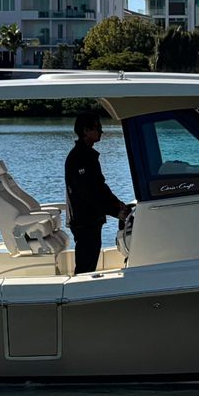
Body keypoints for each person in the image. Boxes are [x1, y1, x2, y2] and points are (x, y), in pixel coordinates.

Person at [64, 110, 128, 274]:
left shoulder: (87, 155)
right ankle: (79, 288)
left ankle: (83, 286)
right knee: (86, 265)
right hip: (84, 220)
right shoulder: (79, 158)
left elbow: (100, 187)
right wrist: (114, 211)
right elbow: (87, 193)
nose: (101, 131)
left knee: (90, 260)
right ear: (86, 131)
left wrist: (117, 203)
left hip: (91, 218)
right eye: (97, 127)